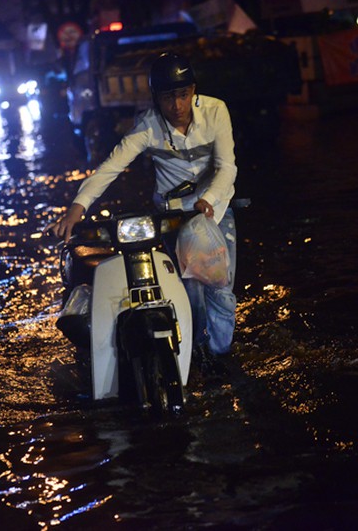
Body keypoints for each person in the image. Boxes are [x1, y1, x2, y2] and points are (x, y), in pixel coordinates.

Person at [50, 52, 238, 369]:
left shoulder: (216, 110)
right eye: (167, 97)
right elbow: (110, 167)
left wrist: (210, 199)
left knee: (220, 289)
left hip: (215, 210)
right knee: (190, 289)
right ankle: (195, 354)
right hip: (175, 217)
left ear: (193, 91)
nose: (176, 105)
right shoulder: (147, 127)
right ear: (155, 98)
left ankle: (222, 355)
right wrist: (76, 209)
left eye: (183, 94)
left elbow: (227, 167)